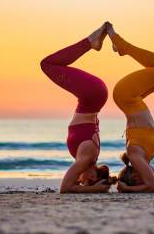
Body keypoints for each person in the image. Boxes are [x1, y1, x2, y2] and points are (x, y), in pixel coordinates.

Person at [40, 23, 115, 193]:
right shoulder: (86, 158)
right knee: (47, 64)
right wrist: (94, 190)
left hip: (94, 95)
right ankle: (90, 42)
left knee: (49, 64)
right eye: (82, 183)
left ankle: (91, 42)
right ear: (93, 178)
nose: (79, 181)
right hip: (92, 95)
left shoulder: (89, 157)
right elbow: (65, 188)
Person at [107, 22, 154, 193]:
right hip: (133, 99)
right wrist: (134, 188)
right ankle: (122, 47)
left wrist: (126, 189)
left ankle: (122, 45)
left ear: (136, 177)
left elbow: (151, 187)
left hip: (125, 96)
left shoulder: (134, 155)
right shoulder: (143, 159)